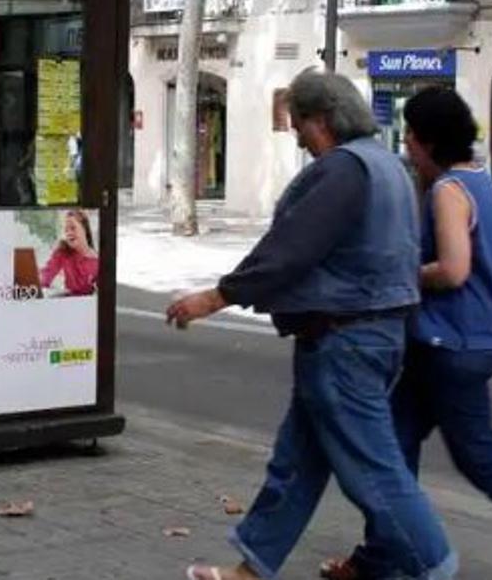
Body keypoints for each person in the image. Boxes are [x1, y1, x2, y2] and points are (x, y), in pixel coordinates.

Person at [167, 71, 456, 580]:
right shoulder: (389, 166)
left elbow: (291, 251)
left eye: (298, 124)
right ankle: (250, 570)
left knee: (373, 470)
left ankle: (434, 564)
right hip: (369, 334)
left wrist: (214, 298)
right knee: (297, 463)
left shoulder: (342, 171)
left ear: (320, 120)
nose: (297, 136)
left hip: (344, 340)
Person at [321, 87, 492, 580]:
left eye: (409, 136)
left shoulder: (449, 190)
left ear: (428, 142)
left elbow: (452, 270)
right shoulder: (477, 181)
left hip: (449, 344)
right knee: (394, 451)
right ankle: (382, 557)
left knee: (480, 461)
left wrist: (398, 272)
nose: (405, 145)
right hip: (463, 341)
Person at [40, 209, 98, 297]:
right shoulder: (63, 251)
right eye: (66, 230)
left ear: (84, 229)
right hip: (67, 302)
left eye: (73, 228)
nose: (69, 233)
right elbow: (46, 275)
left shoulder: (96, 260)